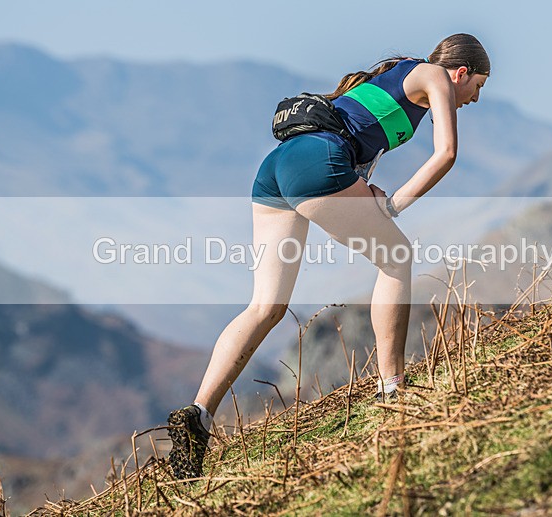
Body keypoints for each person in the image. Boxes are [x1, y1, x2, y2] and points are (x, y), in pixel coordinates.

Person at [167, 33, 490, 480]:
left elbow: (356, 137)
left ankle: (198, 416)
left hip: (277, 168)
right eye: (479, 86)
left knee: (266, 307)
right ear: (461, 73)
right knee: (397, 258)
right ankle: (393, 390)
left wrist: (364, 191)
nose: (474, 99)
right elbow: (447, 153)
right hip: (318, 161)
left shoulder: (399, 75)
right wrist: (392, 204)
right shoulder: (434, 75)